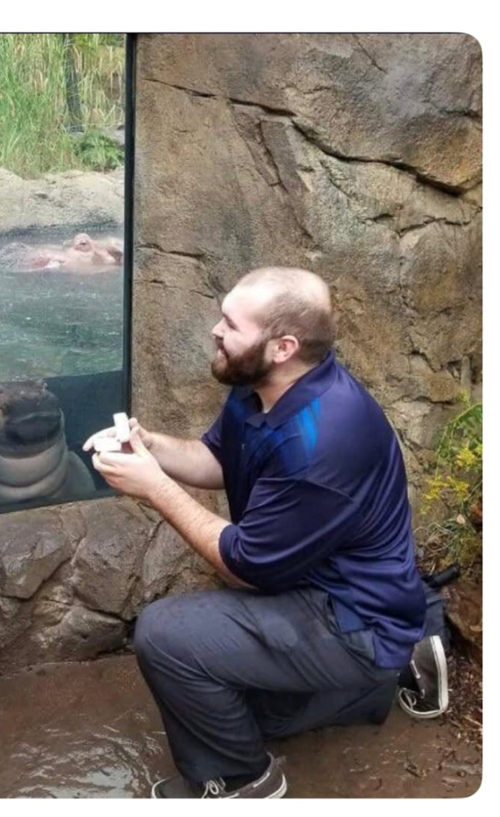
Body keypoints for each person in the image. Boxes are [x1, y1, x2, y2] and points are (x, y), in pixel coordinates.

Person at [87, 266, 445, 799]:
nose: (215, 330)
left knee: (167, 636)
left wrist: (154, 488)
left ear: (283, 346)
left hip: (353, 615)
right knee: (237, 706)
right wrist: (150, 446)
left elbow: (245, 561)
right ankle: (397, 664)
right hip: (324, 586)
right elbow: (216, 459)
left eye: (230, 323)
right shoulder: (260, 386)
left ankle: (241, 782)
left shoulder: (324, 439)